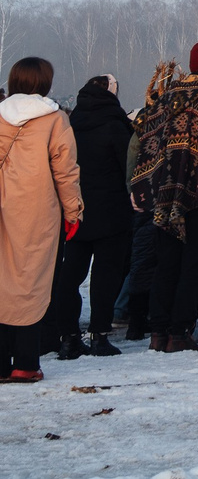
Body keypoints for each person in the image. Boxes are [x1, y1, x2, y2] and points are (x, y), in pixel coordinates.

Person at [129, 43, 198, 353]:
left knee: (166, 263)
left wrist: (136, 185)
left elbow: (142, 142)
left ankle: (158, 332)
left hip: (165, 193)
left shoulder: (165, 99)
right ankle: (179, 332)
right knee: (194, 265)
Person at [2, 58, 82, 383]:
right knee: (32, 285)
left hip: (3, 209)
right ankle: (25, 362)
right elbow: (65, 171)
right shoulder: (55, 119)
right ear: (46, 82)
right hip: (37, 212)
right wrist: (74, 211)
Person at [51, 76, 132, 360]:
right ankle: (99, 335)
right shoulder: (116, 123)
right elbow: (128, 166)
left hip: (75, 209)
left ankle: (68, 337)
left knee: (70, 274)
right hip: (111, 210)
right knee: (105, 276)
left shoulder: (70, 123)